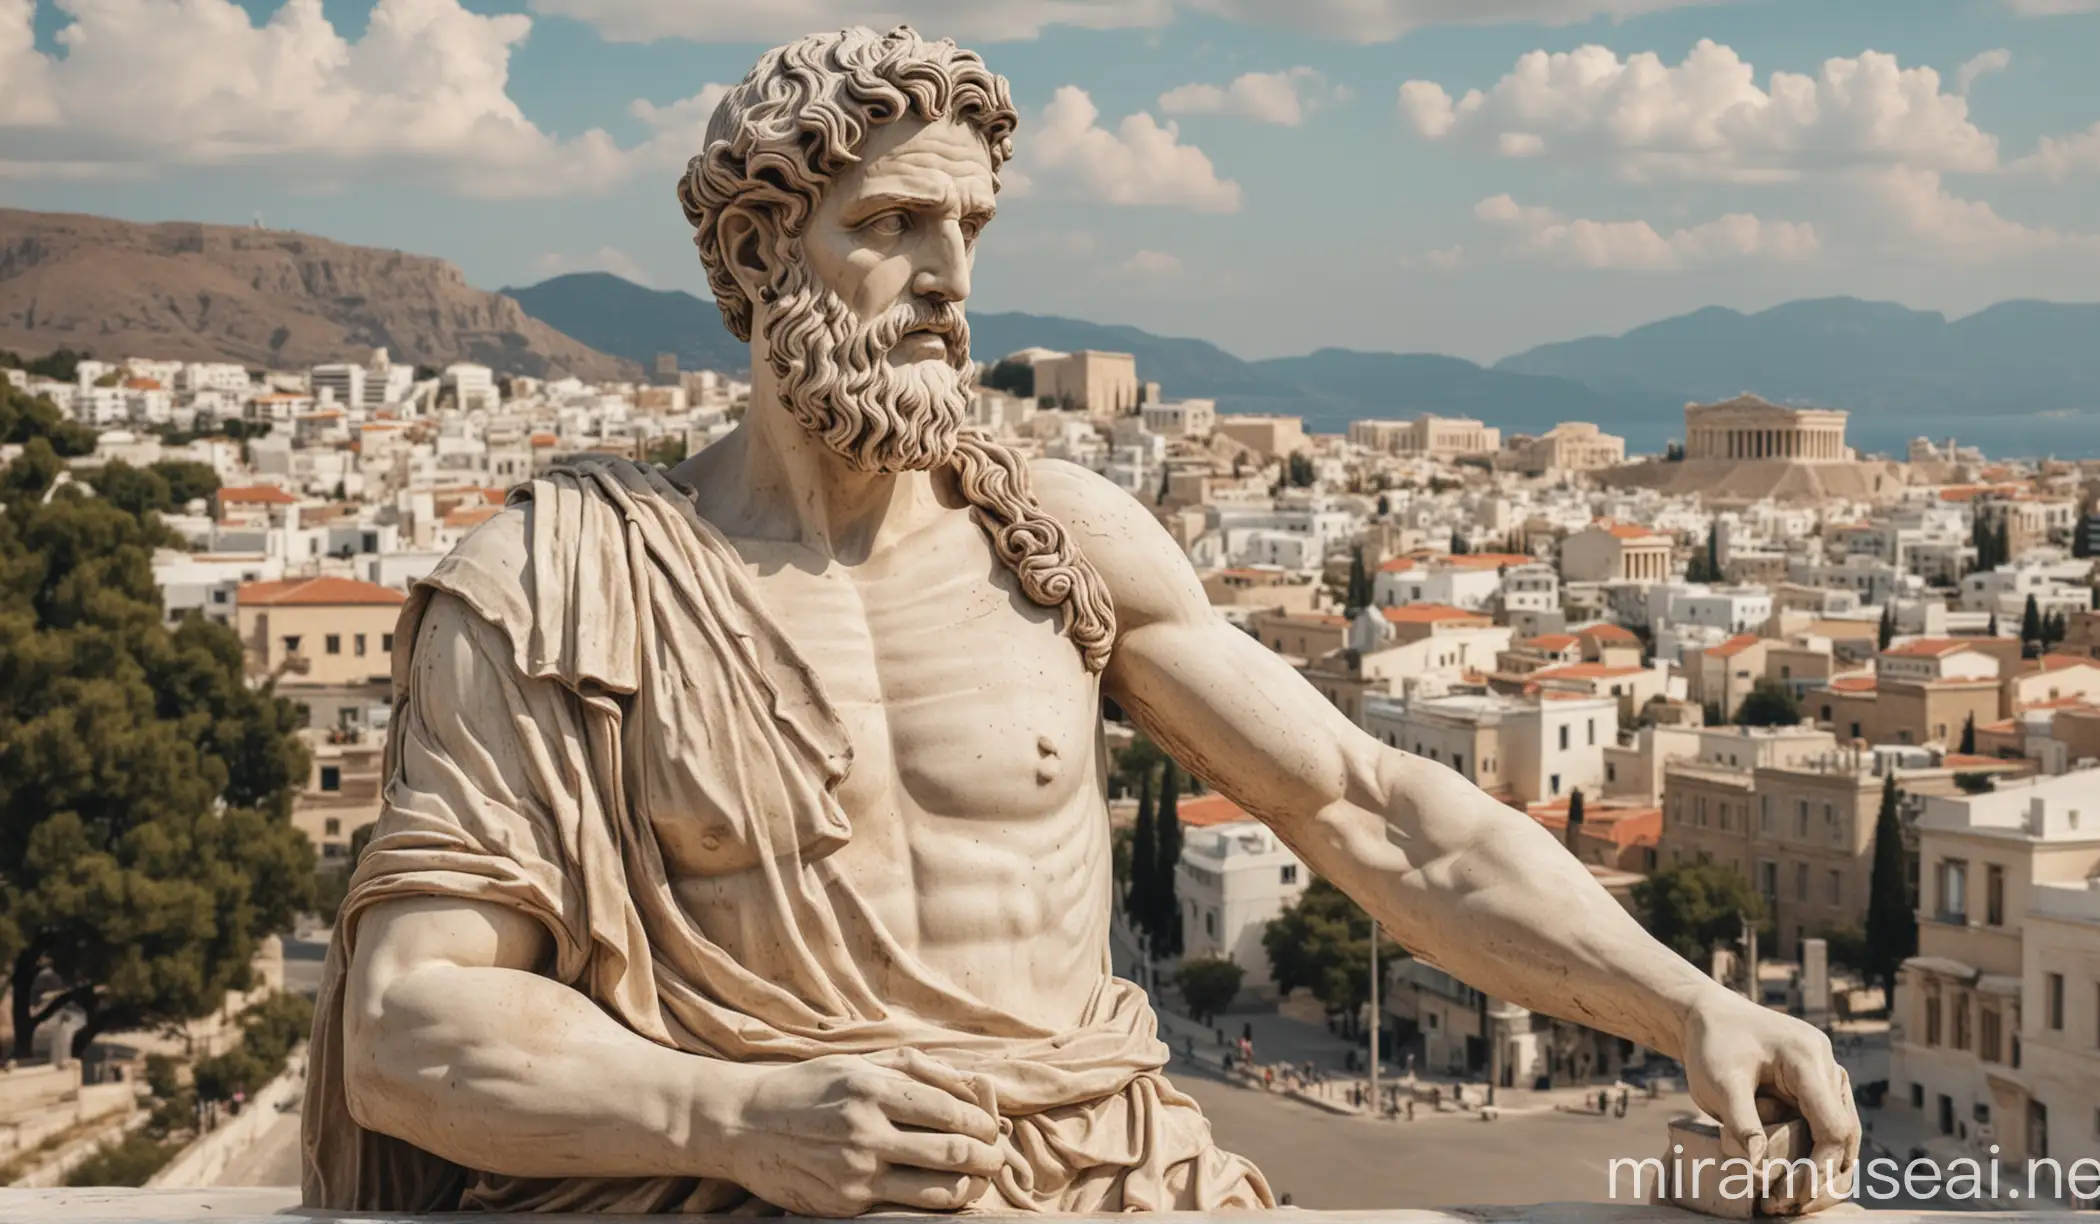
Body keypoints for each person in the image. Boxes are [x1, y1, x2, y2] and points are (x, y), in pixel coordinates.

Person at [306, 23, 1856, 1219]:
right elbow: (409, 1024)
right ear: (760, 254)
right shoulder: (564, 583)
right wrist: (732, 1120)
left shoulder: (1052, 541)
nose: (948, 282)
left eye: (969, 230)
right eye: (894, 226)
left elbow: (1379, 815)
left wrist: (1690, 1004)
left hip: (1107, 1185)